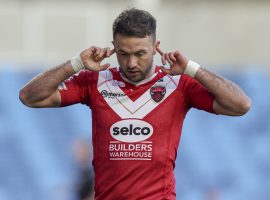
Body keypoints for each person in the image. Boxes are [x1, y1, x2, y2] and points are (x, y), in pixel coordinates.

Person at [19, 8, 251, 200]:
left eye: (140, 53)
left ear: (155, 46)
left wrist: (192, 68)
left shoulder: (178, 84)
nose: (131, 62)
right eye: (123, 53)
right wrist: (77, 63)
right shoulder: (94, 81)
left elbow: (240, 105)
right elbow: (29, 97)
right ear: (113, 47)